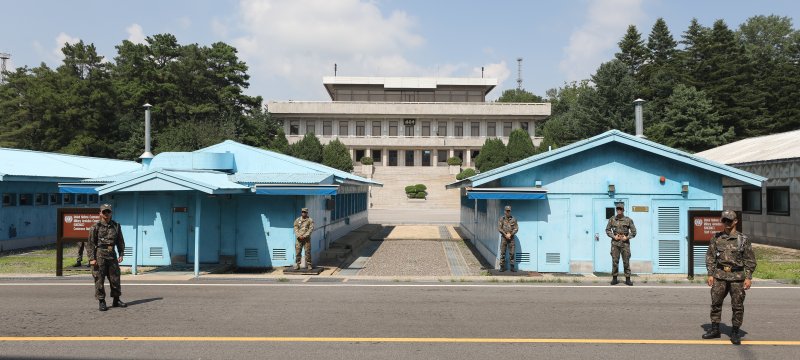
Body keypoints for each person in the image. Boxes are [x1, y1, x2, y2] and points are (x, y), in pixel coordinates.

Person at [702, 210, 756, 345]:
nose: (726, 223)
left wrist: (748, 277)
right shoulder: (716, 238)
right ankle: (715, 329)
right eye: (724, 220)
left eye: (729, 220)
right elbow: (710, 256)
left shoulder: (743, 239)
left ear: (735, 221)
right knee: (715, 303)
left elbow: (750, 260)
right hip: (720, 276)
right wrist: (710, 273)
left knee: (737, 306)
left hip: (737, 277)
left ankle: (735, 331)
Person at [88, 204, 126, 311]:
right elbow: (90, 244)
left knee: (115, 278)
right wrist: (92, 258)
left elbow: (120, 241)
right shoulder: (95, 227)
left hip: (112, 254)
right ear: (100, 213)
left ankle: (116, 299)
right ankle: (101, 301)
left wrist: (121, 254)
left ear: (111, 213)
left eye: (108, 212)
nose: (106, 214)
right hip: (100, 254)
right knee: (99, 279)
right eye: (104, 212)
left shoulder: (116, 226)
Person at [606, 201, 636, 285]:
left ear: (623, 210)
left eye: (620, 209)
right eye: (617, 209)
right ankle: (614, 278)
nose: (618, 210)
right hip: (615, 244)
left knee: (626, 261)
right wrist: (613, 236)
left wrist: (627, 237)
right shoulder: (612, 219)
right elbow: (607, 230)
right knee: (615, 261)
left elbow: (634, 232)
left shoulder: (628, 220)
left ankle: (628, 279)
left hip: (625, 244)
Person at [497, 205, 518, 272]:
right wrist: (505, 234)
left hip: (511, 238)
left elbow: (516, 228)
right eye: (507, 211)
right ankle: (502, 267)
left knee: (512, 253)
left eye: (509, 211)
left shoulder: (514, 219)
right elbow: (499, 228)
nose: (508, 212)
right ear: (504, 211)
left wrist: (510, 234)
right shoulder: (501, 219)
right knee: (502, 252)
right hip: (504, 238)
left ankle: (512, 267)